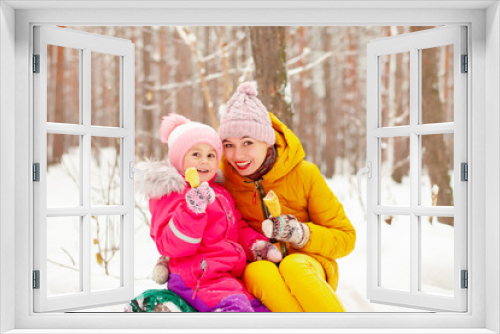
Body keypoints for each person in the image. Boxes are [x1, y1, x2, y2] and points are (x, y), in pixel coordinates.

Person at [218, 82, 356, 312]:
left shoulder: (304, 174)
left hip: (308, 264)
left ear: (267, 140)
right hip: (263, 267)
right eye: (229, 145)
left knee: (293, 265)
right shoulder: (226, 184)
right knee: (257, 270)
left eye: (247, 142)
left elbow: (346, 238)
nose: (237, 155)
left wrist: (302, 234)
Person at [141, 113, 282, 312]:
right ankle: (165, 304)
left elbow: (238, 228)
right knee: (238, 311)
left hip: (226, 276)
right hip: (196, 276)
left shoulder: (220, 192)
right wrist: (191, 211)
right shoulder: (174, 193)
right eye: (196, 154)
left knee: (263, 312)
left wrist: (256, 245)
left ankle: (176, 307)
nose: (204, 161)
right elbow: (169, 245)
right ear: (179, 159)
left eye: (211, 155)